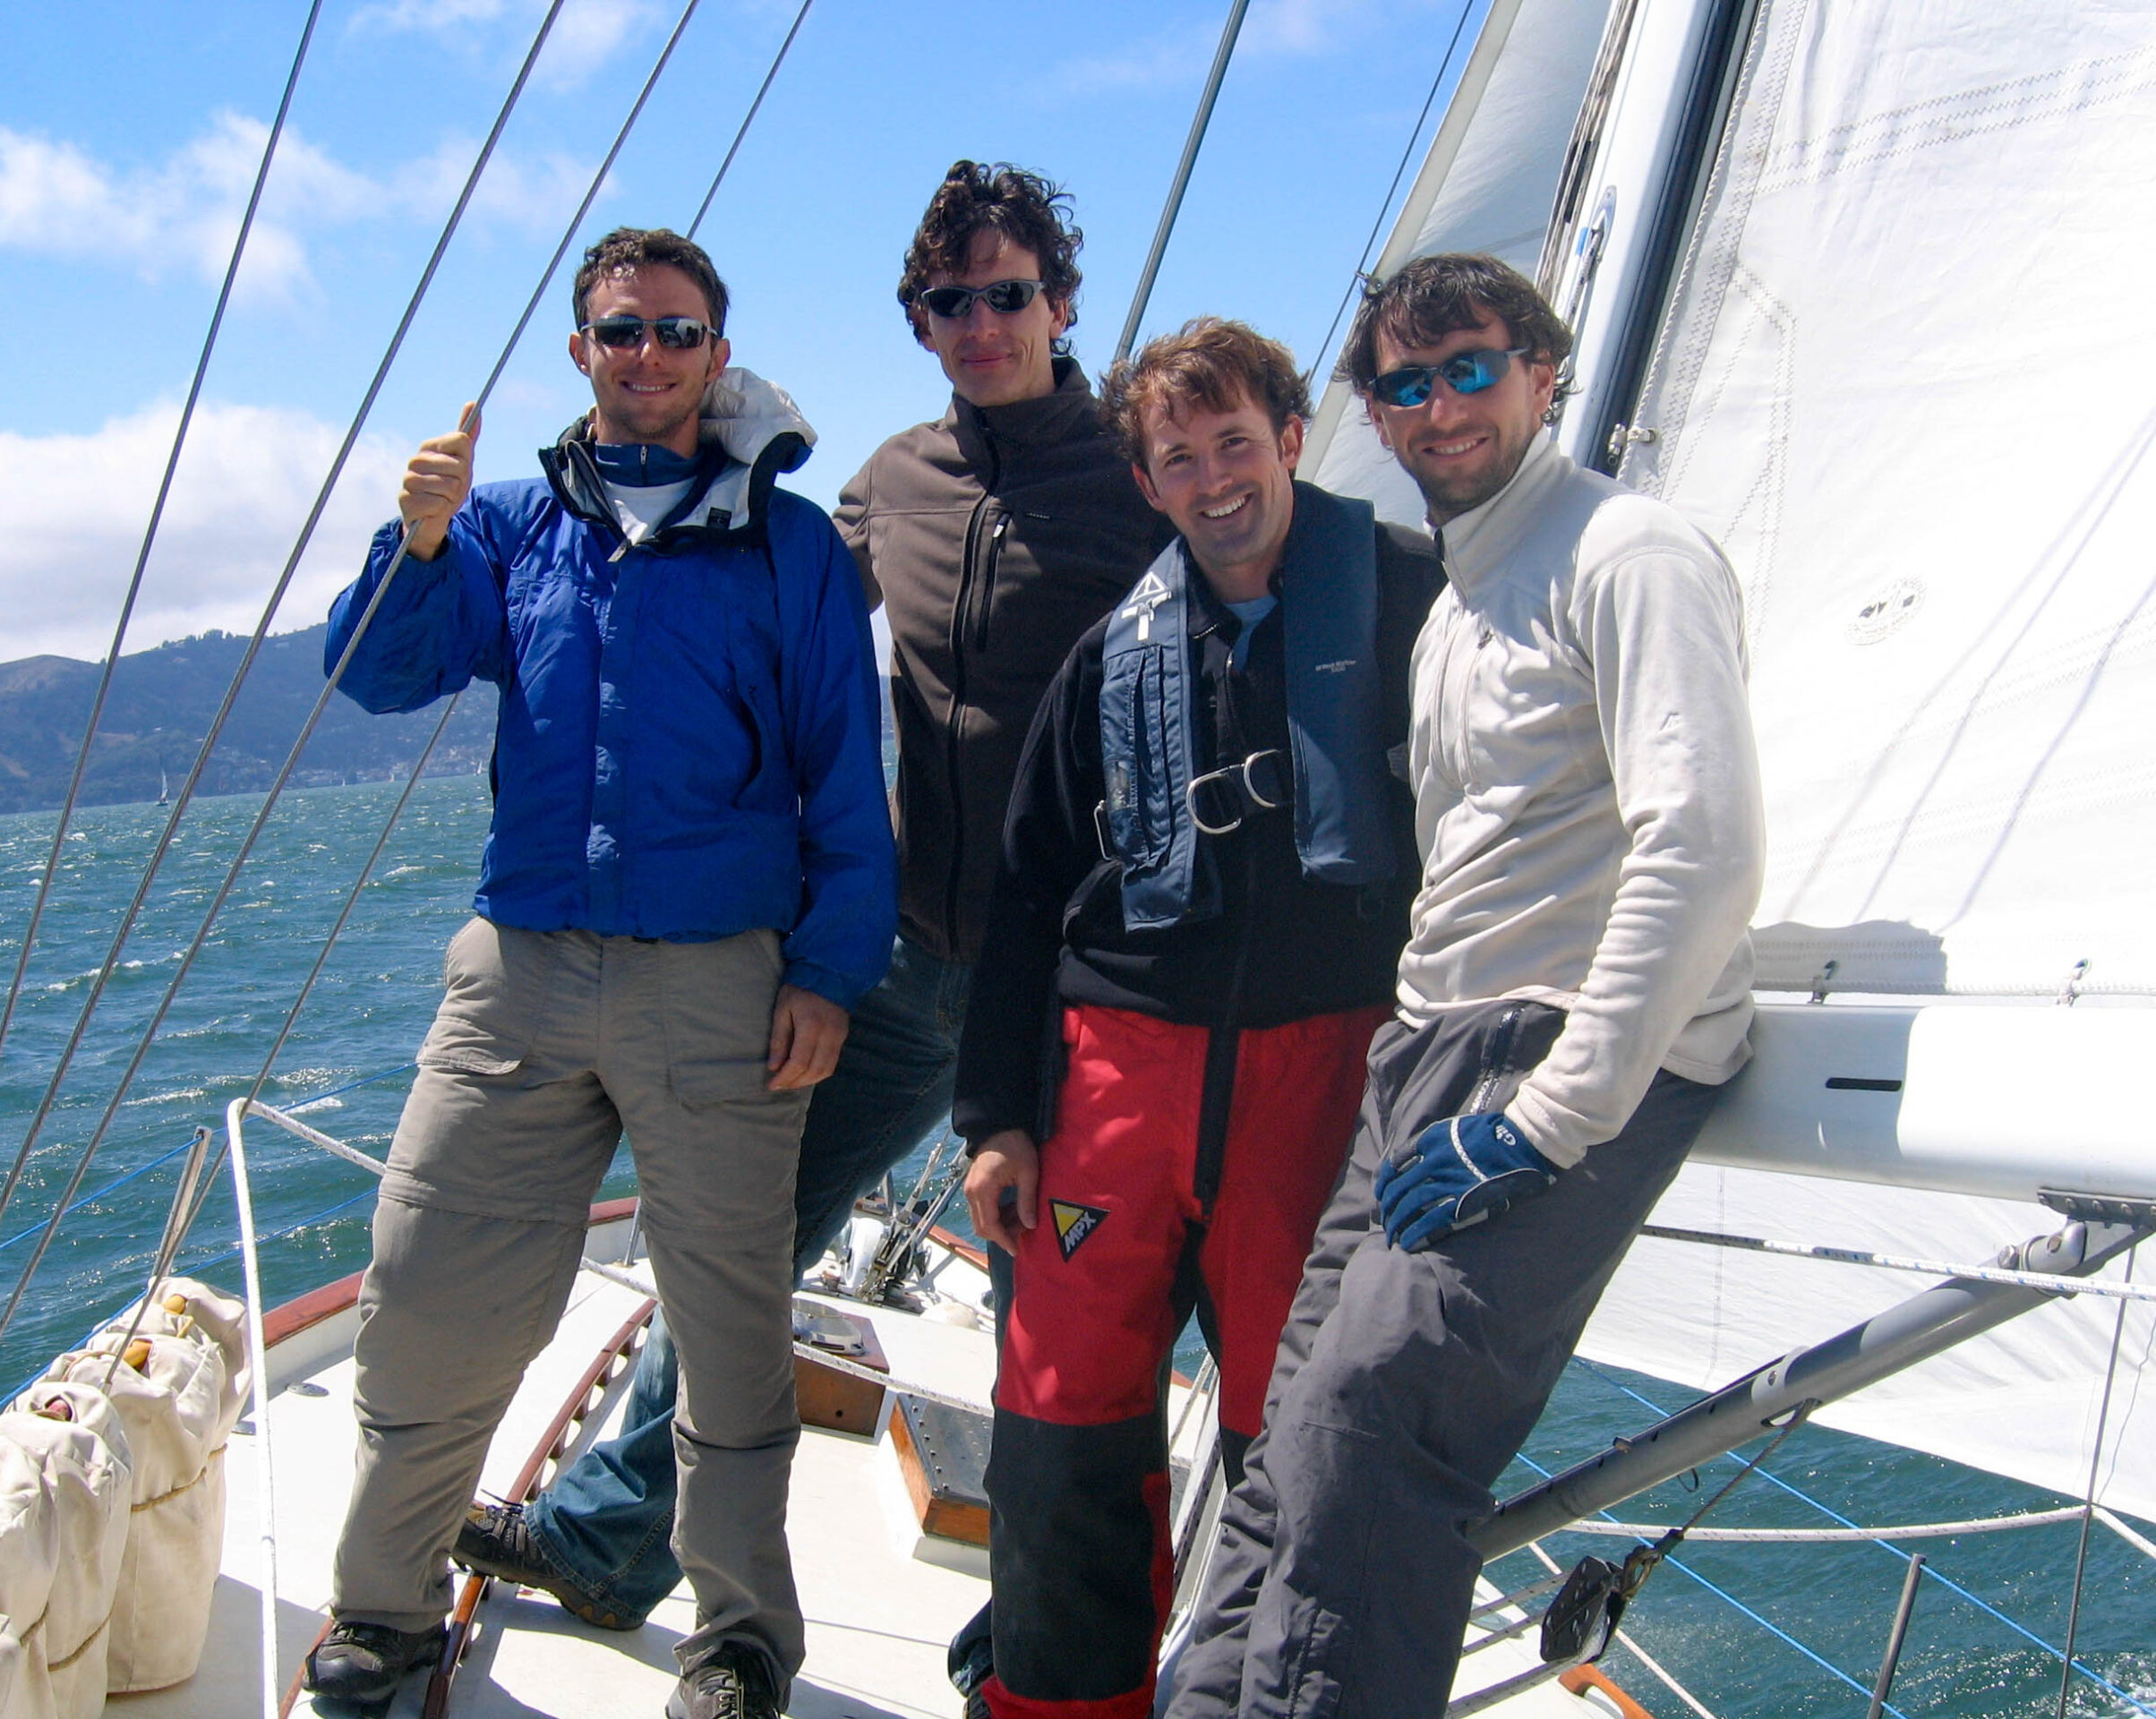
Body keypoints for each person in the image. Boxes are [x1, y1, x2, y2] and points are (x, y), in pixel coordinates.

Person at [449, 160, 1170, 1641]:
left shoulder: (1139, 472)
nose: (981, 322)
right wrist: (687, 408)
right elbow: (744, 580)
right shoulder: (895, 480)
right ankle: (607, 1544)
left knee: (1064, 1320)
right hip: (901, 957)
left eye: (1008, 293)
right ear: (920, 321)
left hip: (1077, 982)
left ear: (1059, 302)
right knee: (738, 1247)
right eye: (950, 300)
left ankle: (1037, 1646)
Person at [1161, 253, 1765, 1719]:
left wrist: (1553, 1116)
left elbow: (1703, 842)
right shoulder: (1456, 604)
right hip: (1421, 1057)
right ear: (1375, 413)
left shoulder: (1628, 554)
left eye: (1473, 368)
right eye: (1408, 384)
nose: (1441, 407)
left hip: (1549, 1062)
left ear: (1542, 372)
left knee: (1371, 1433)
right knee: (1288, 1429)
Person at [304, 227, 894, 1719]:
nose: (648, 355)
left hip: (723, 986)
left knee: (730, 1330)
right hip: (520, 970)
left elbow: (846, 775)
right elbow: (379, 673)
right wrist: (416, 541)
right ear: (582, 351)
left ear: (717, 351)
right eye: (621, 330)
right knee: (427, 1291)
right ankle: (381, 1613)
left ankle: (740, 1639)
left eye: (676, 331)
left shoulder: (792, 546)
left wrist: (829, 971)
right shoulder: (507, 526)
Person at [951, 319, 1443, 1719]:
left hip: (1322, 1080)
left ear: (1292, 439)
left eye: (1237, 442)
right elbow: (1025, 891)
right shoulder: (1110, 658)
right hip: (1113, 1085)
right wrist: (995, 1117)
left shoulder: (1419, 604)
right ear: (1147, 482)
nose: (1215, 479)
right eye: (1179, 457)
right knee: (1060, 1415)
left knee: (1302, 1433)